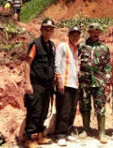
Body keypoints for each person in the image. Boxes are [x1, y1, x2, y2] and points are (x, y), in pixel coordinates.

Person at [24, 18, 57, 148]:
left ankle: (39, 135)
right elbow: (27, 63)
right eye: (46, 29)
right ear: (41, 30)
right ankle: (29, 138)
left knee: (44, 110)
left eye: (51, 29)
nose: (48, 31)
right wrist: (28, 83)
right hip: (36, 83)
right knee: (34, 111)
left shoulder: (52, 45)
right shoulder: (35, 44)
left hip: (47, 85)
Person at [78, 23, 112, 144]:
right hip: (85, 82)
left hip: (99, 82)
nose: (96, 33)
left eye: (98, 31)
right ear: (89, 32)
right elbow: (72, 58)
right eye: (93, 31)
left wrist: (108, 82)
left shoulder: (104, 48)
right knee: (84, 105)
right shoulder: (82, 46)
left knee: (100, 107)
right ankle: (86, 129)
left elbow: (108, 65)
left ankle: (101, 132)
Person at [54, 26, 81, 146]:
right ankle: (60, 134)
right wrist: (59, 80)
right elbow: (57, 63)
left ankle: (68, 132)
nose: (75, 37)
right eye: (73, 34)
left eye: (77, 35)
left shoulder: (75, 49)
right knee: (63, 110)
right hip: (64, 83)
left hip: (73, 84)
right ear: (68, 35)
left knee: (72, 110)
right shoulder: (62, 46)